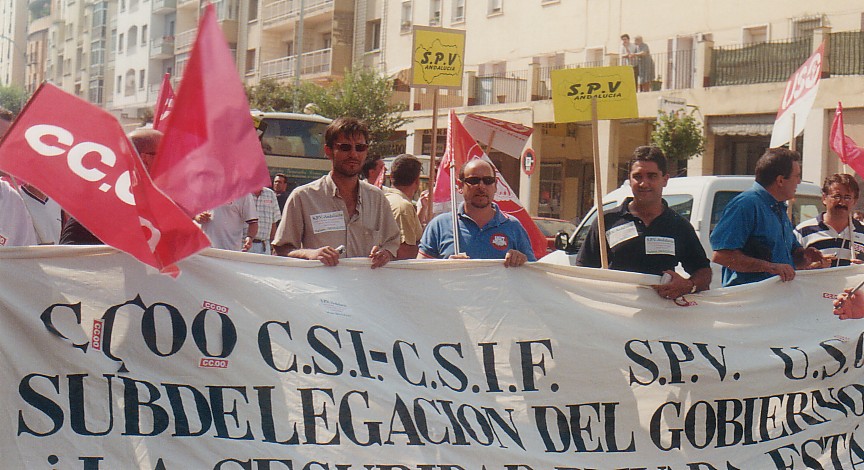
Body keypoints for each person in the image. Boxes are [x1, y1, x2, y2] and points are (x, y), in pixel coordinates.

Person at [576, 146, 711, 299]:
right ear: (629, 179)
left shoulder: (679, 225)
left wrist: (688, 285)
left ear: (665, 179)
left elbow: (703, 271)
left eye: (652, 176)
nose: (644, 183)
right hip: (614, 316)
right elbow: (582, 271)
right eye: (638, 176)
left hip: (659, 317)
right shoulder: (606, 221)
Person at [271, 117, 399, 268]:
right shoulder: (303, 197)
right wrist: (310, 254)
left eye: (360, 148)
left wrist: (385, 254)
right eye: (345, 147)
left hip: (366, 289)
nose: (353, 154)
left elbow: (393, 243)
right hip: (321, 290)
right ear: (328, 151)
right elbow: (280, 250)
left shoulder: (377, 198)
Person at [710, 148, 826, 287]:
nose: (799, 182)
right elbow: (722, 256)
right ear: (780, 180)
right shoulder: (746, 205)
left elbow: (788, 256)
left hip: (776, 299)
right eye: (797, 176)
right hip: (751, 301)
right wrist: (770, 267)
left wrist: (804, 256)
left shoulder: (779, 208)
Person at [418, 159, 535, 267]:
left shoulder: (513, 226)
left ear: (495, 186)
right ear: (460, 186)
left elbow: (533, 275)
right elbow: (420, 272)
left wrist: (522, 261)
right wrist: (445, 267)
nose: (481, 186)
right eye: (473, 181)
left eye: (488, 181)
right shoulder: (439, 225)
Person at [61, 128, 163, 245]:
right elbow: (69, 258)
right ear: (145, 160)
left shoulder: (162, 207)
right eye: (167, 155)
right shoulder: (97, 209)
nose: (174, 163)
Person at [795, 173, 864, 267]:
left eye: (847, 197)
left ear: (855, 201)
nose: (842, 202)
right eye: (837, 196)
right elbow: (790, 269)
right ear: (824, 198)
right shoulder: (803, 231)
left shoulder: (862, 230)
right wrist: (812, 267)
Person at [383, 154, 424, 260]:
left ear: (391, 177)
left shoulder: (383, 200)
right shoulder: (402, 207)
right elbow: (404, 252)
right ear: (417, 181)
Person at [247, 186, 281, 255]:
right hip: (244, 245)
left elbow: (273, 223)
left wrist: (273, 246)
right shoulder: (243, 193)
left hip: (264, 246)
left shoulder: (270, 194)